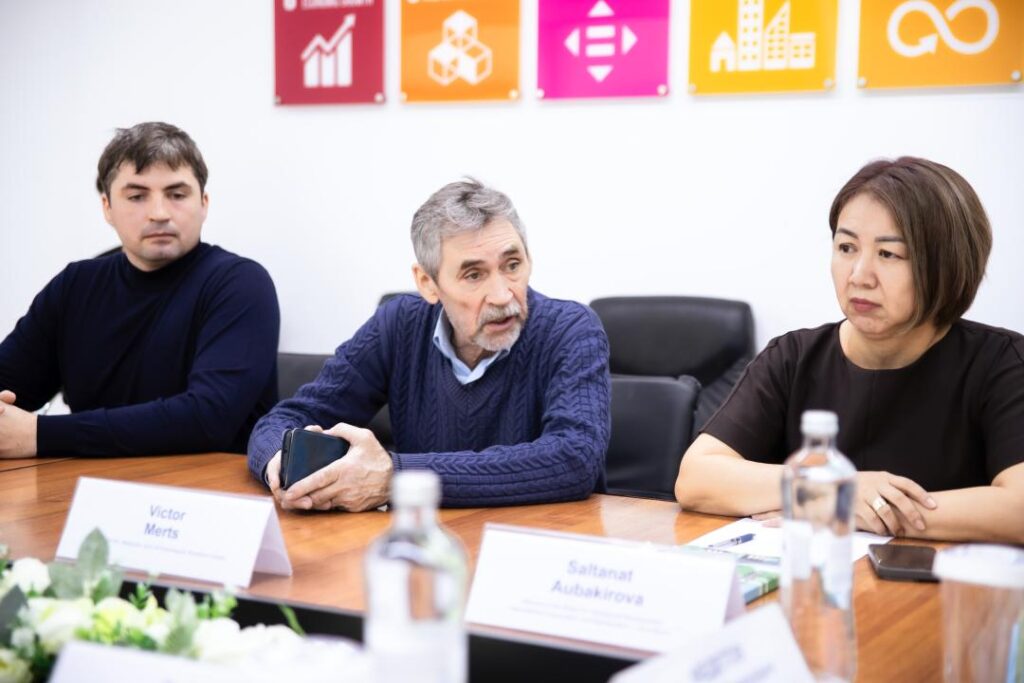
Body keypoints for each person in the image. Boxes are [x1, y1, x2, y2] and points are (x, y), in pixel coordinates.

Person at [675, 157, 1024, 544]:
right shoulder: (793, 357)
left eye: (888, 254)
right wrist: (831, 491)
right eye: (846, 247)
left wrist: (850, 509)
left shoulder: (1003, 364)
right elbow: (696, 478)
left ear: (947, 265)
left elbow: (1019, 508)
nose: (859, 275)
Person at [248, 179, 610, 511]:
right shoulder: (399, 324)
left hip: (537, 538)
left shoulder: (571, 329)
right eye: (474, 274)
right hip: (424, 539)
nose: (502, 295)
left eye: (512, 265)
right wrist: (283, 462)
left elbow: (575, 459)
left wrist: (396, 479)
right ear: (428, 283)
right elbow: (283, 421)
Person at [0, 122, 280, 458]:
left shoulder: (240, 284)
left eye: (177, 195)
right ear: (107, 207)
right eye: (136, 196)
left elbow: (207, 419)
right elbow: (9, 383)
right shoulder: (75, 286)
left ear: (204, 203)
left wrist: (39, 434)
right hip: (89, 484)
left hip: (208, 486)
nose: (159, 213)